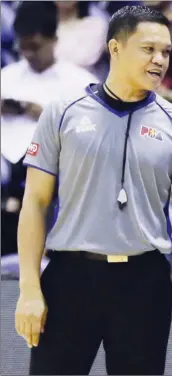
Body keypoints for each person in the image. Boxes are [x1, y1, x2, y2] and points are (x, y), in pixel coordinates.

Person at [15, 5, 172, 375]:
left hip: (144, 282)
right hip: (70, 278)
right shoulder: (63, 111)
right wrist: (29, 289)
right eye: (148, 49)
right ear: (115, 49)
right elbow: (35, 203)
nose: (160, 60)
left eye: (166, 52)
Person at [1, 1, 97, 256]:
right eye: (23, 47)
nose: (29, 54)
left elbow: (95, 130)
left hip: (50, 159)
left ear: (53, 39)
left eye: (35, 47)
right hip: (6, 153)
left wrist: (46, 115)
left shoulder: (80, 82)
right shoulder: (7, 76)